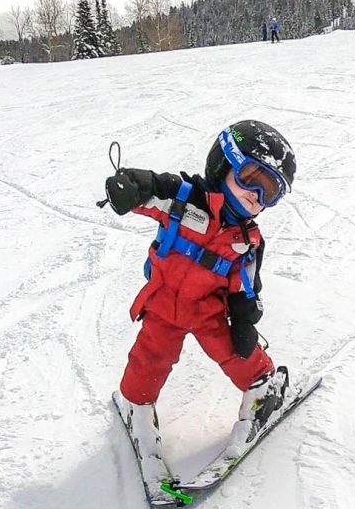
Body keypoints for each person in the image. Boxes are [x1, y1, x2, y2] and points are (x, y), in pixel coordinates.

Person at [103, 120, 297, 445]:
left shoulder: (246, 240)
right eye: (251, 179)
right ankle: (136, 407)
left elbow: (247, 285)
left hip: (209, 312)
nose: (256, 196)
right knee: (149, 360)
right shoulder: (184, 199)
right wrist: (134, 187)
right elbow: (153, 190)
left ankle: (264, 391)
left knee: (237, 353)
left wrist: (246, 320)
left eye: (271, 191)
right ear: (223, 164)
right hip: (163, 305)